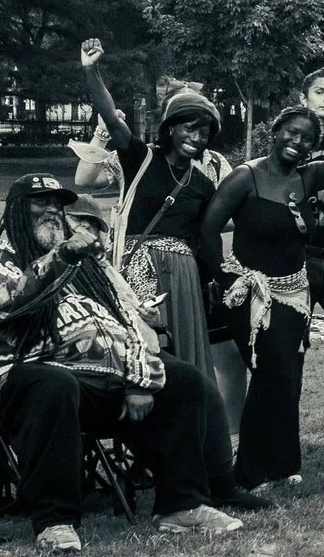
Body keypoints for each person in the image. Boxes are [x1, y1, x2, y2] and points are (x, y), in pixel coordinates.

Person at [0, 175, 244, 550]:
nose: (51, 210)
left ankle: (181, 506)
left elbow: (130, 314)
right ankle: (55, 521)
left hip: (98, 379)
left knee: (184, 381)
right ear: (17, 209)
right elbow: (3, 300)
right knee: (54, 385)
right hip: (22, 376)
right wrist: (62, 257)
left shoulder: (91, 262)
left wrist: (139, 379)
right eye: (40, 202)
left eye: (56, 203)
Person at [200, 91, 324, 490]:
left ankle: (283, 463)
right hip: (250, 293)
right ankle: (251, 472)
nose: (298, 141)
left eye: (307, 137)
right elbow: (208, 228)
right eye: (291, 132)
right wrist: (221, 277)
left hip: (294, 294)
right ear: (274, 133)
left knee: (289, 375)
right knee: (268, 372)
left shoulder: (307, 177)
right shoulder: (246, 176)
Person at [77, 43, 232, 375]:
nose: (197, 137)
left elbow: (216, 227)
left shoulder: (203, 183)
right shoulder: (141, 158)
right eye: (190, 128)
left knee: (182, 347)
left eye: (204, 132)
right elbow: (110, 117)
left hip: (183, 274)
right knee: (138, 345)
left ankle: (182, 410)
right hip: (136, 268)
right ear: (171, 127)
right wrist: (92, 71)